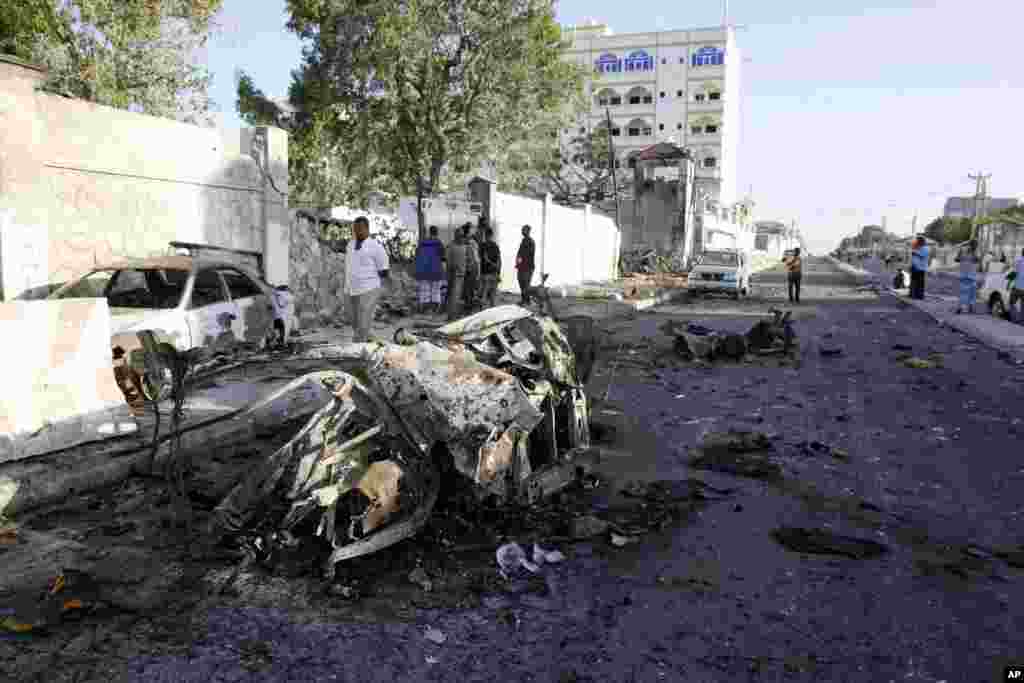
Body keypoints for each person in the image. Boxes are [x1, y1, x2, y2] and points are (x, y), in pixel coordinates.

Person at [345, 216, 389, 343]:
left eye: (359, 229)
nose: (357, 231)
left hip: (369, 289)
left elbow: (384, 270)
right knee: (354, 321)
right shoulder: (350, 244)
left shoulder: (375, 246)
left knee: (363, 321)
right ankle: (370, 340)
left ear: (367, 229)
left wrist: (370, 280)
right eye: (355, 229)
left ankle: (357, 350)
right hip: (351, 289)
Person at [413, 226, 446, 315]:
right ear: (437, 233)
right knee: (436, 290)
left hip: (422, 271)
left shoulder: (422, 243)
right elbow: (443, 259)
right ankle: (434, 311)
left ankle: (425, 310)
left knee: (424, 291)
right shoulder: (439, 244)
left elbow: (416, 256)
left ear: (429, 232)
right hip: (436, 270)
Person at [445, 227, 469, 321]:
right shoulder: (453, 247)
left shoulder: (463, 247)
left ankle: (453, 314)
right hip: (455, 274)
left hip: (460, 274)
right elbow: (448, 262)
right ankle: (452, 316)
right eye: (459, 236)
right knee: (454, 295)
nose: (461, 238)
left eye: (461, 236)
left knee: (455, 295)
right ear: (456, 236)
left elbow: (467, 261)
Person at [954, 239, 980, 314]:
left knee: (963, 292)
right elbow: (977, 260)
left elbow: (956, 259)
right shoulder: (974, 253)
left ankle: (960, 307)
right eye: (976, 245)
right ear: (975, 245)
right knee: (972, 293)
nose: (976, 246)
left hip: (963, 274)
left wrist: (961, 256)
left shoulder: (962, 251)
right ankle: (970, 308)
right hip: (971, 275)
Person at [479, 226, 502, 308]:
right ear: (492, 235)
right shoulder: (495, 246)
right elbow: (499, 260)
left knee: (484, 294)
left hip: (485, 273)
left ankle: (483, 312)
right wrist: (498, 272)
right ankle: (492, 312)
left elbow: (481, 260)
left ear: (485, 235)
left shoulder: (482, 246)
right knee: (492, 295)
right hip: (494, 273)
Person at [462, 223, 480, 312]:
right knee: (470, 289)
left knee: (467, 289)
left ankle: (468, 306)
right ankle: (469, 308)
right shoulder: (471, 242)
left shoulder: (463, 241)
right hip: (471, 268)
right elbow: (475, 258)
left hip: (465, 268)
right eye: (472, 229)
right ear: (469, 230)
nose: (474, 230)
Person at [516, 224, 536, 305]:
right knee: (522, 282)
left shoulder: (530, 241)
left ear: (528, 231)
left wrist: (520, 261)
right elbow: (520, 254)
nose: (522, 231)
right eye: (522, 229)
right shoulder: (524, 240)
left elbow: (527, 254)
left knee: (525, 283)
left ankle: (526, 300)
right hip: (522, 266)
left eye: (523, 230)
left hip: (527, 266)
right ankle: (525, 299)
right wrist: (518, 262)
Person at [1010, 247, 1024, 324]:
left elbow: (1014, 273)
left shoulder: (1018, 261)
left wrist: (1008, 283)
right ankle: (1022, 321)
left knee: (1011, 303)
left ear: (1022, 253)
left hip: (1017, 287)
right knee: (1023, 306)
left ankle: (1014, 319)